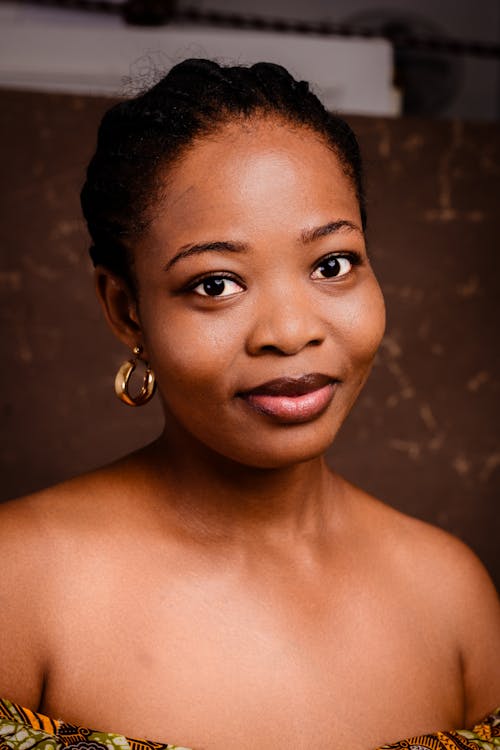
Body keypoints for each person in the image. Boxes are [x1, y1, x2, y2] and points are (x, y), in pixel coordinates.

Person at [0, 58, 498, 750]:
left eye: (332, 265)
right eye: (215, 285)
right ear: (126, 310)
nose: (291, 332)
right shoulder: (19, 584)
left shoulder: (455, 599)